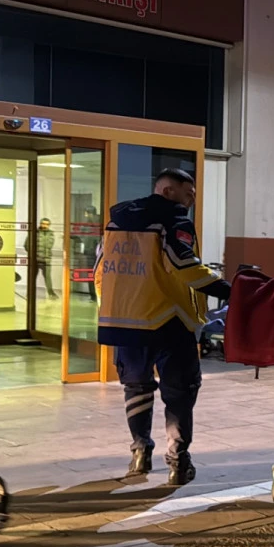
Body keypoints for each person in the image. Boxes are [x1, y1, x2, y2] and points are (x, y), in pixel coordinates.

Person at [94, 168, 231, 486]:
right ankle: (178, 461)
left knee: (136, 388)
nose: (192, 198)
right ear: (168, 191)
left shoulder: (116, 223)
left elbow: (101, 269)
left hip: (126, 322)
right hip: (169, 320)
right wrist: (227, 289)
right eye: (189, 192)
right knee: (180, 392)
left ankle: (140, 453)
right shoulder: (173, 218)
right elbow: (183, 264)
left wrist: (114, 307)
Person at [25, 218, 57, 299]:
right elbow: (26, 245)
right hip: (35, 260)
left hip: (46, 260)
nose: (45, 225)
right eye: (43, 223)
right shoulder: (33, 232)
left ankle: (51, 293)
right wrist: (32, 254)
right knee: (32, 278)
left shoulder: (51, 234)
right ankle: (29, 293)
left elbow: (50, 246)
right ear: (40, 224)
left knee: (48, 278)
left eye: (47, 224)